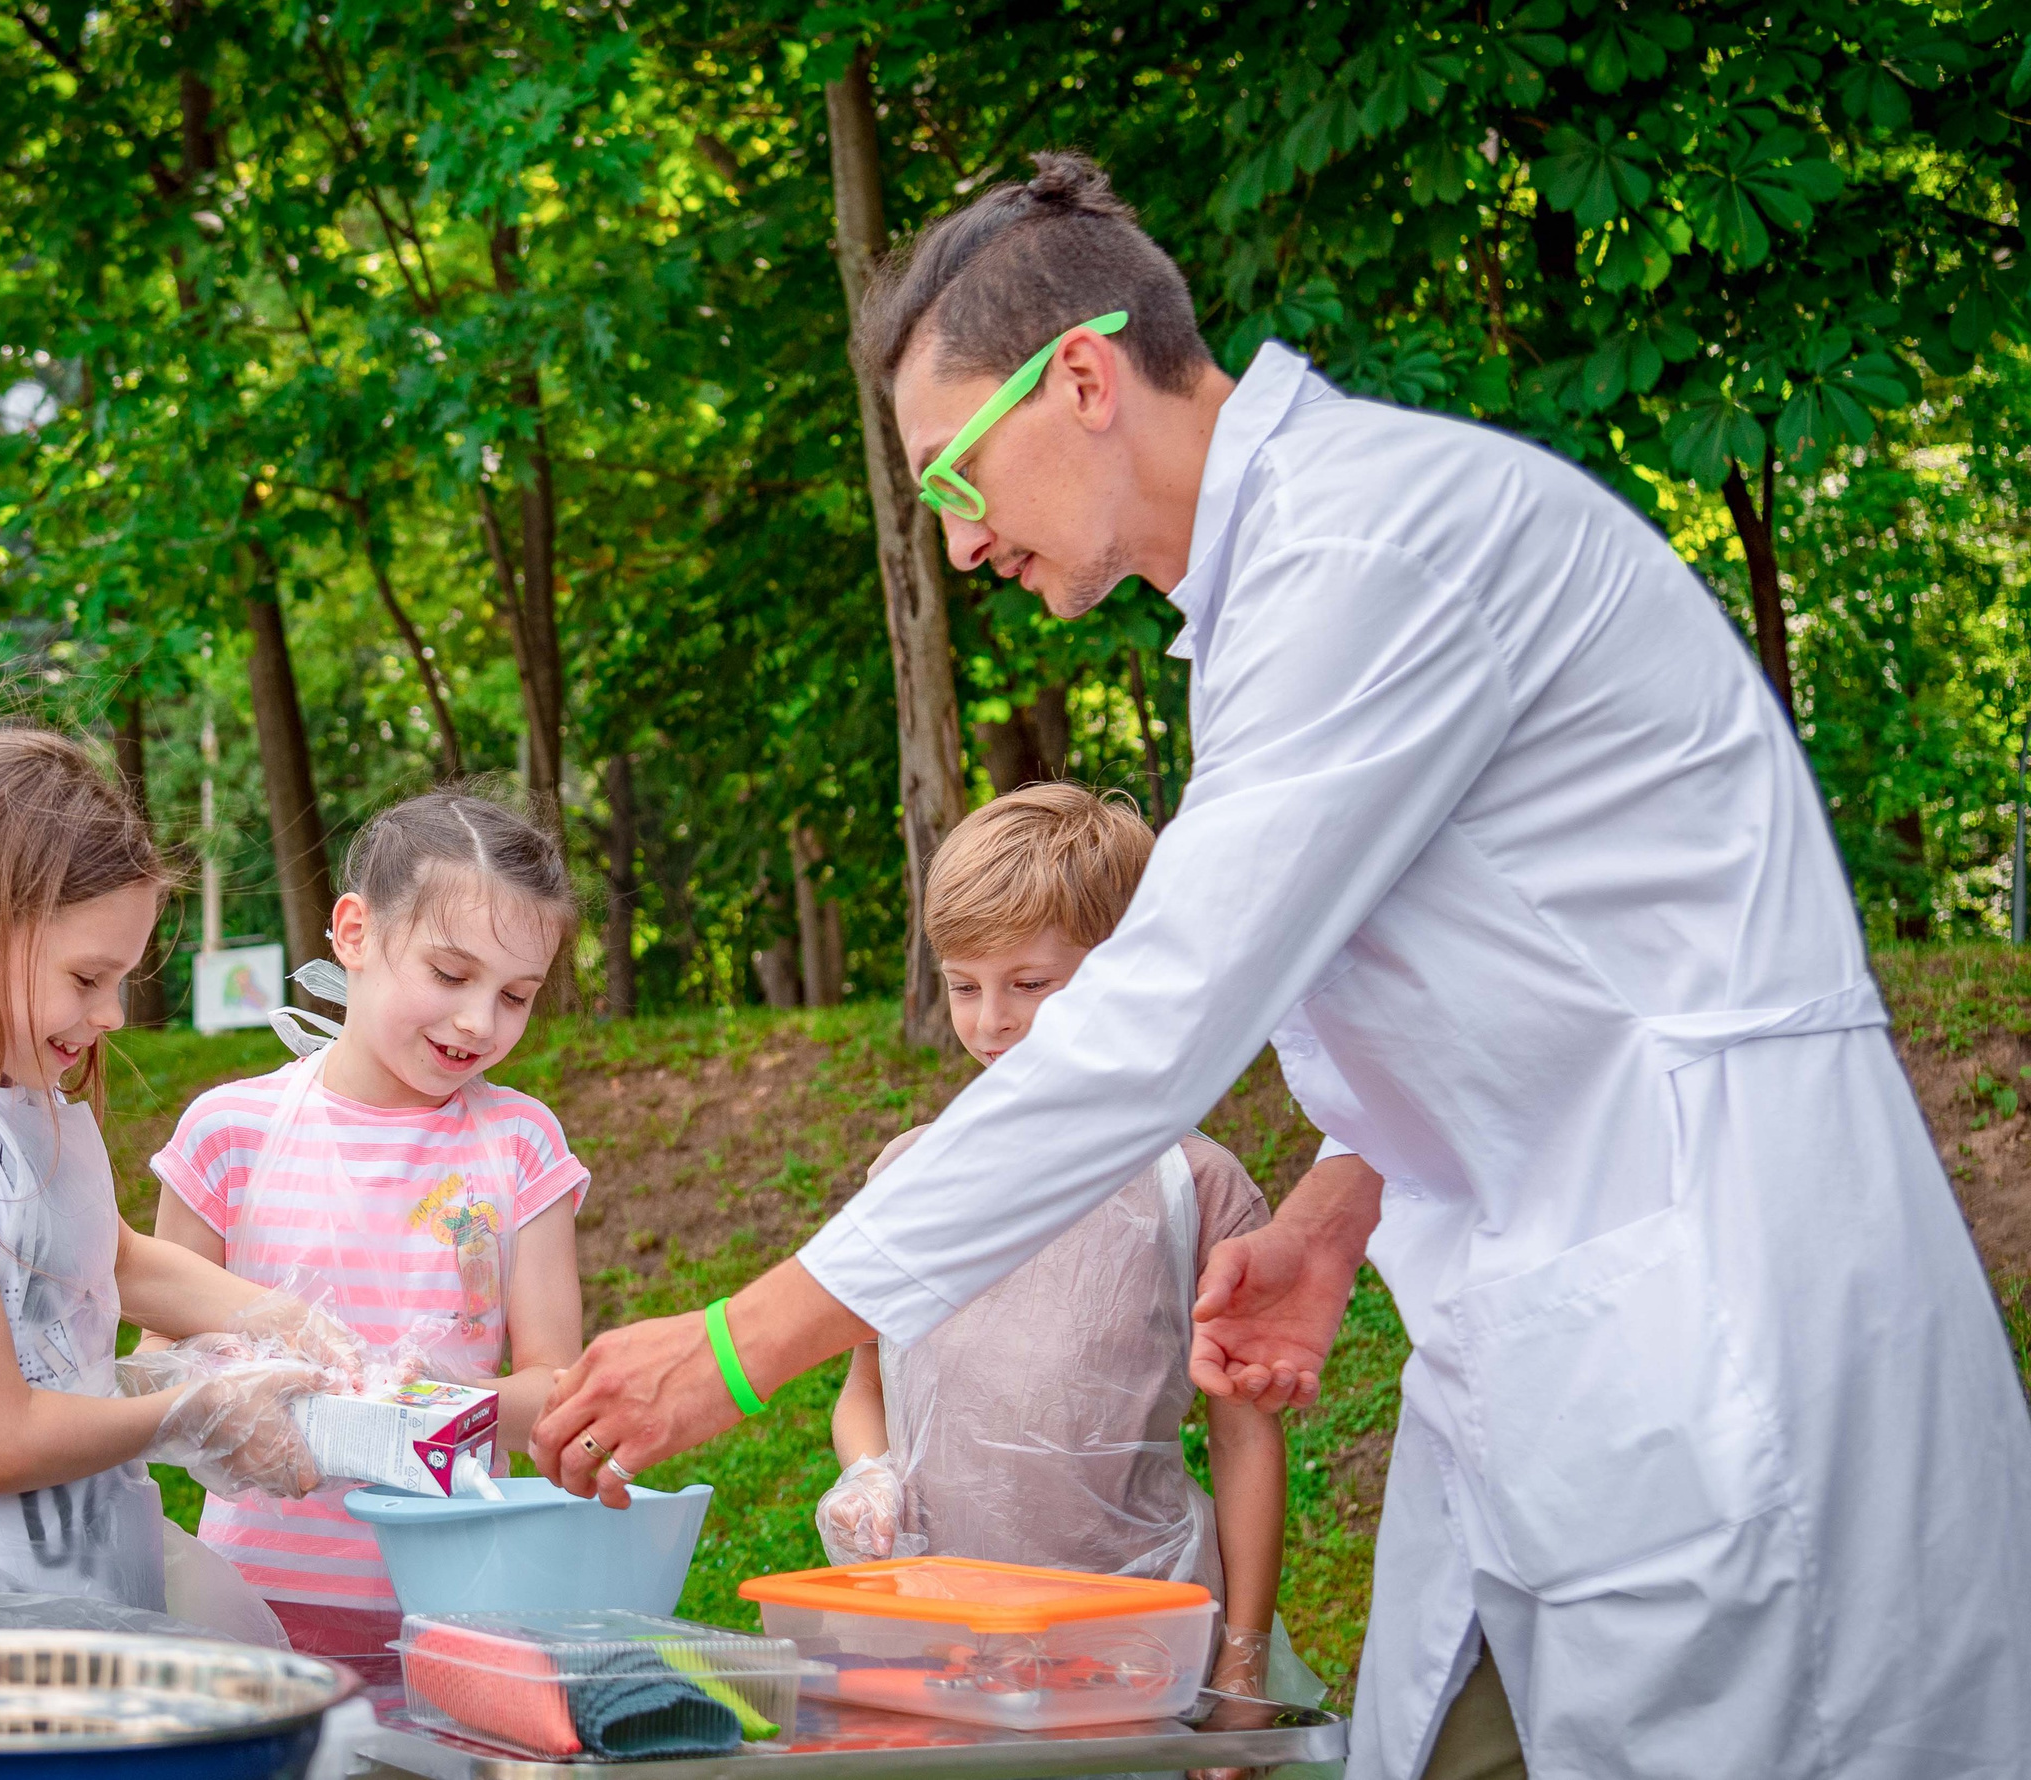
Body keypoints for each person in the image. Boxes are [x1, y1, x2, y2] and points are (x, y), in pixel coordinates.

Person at [532, 154, 2031, 1780]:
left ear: (1082, 379)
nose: (957, 544)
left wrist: (741, 1344)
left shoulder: (1369, 553)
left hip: (1719, 1328)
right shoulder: (1283, 595)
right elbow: (1535, 974)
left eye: (953, 474)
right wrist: (1337, 1202)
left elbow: (1143, 1036)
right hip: (1556, 1346)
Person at [0, 729, 352, 1639]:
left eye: (120, 980)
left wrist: (297, 1324)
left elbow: (113, 1257)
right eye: (88, 977)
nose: (112, 1014)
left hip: (67, 1584)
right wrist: (188, 1415)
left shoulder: (21, 1101)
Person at [818, 782, 1295, 1703]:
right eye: (964, 986)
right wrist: (868, 1474)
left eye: (1029, 985)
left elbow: (1244, 1438)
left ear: (1123, 972)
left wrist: (1242, 1661)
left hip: (1138, 1637)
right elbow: (865, 1391)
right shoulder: (909, 1176)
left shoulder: (1197, 1191)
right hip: (937, 1641)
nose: (989, 1022)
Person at [150, 789, 588, 1660]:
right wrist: (248, 1394)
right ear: (353, 933)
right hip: (251, 1600)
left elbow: (555, 1392)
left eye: (516, 995)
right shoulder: (229, 1134)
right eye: (451, 975)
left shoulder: (520, 1143)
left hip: (457, 1596)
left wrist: (434, 1407)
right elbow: (157, 1364)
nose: (478, 1021)